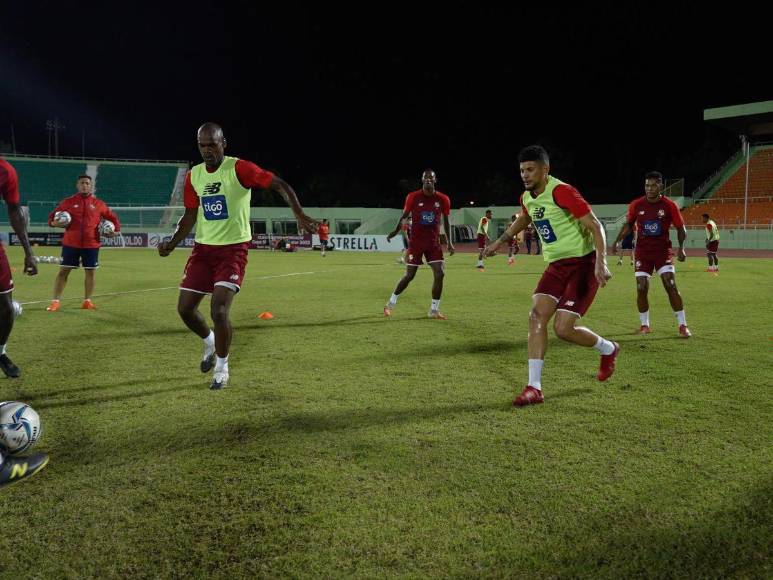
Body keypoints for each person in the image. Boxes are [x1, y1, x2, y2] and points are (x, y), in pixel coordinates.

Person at [158, 123, 317, 389]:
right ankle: (209, 341)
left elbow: (279, 184)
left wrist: (298, 213)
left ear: (224, 143)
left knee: (219, 309)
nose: (207, 150)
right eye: (202, 145)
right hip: (203, 249)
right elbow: (189, 216)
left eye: (212, 144)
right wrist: (172, 242)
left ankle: (222, 367)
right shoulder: (194, 176)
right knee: (185, 309)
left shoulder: (239, 169)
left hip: (232, 250)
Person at [485, 145, 618, 407]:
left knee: (563, 330)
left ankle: (608, 349)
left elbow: (595, 224)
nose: (525, 174)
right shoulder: (527, 197)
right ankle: (534, 387)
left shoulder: (562, 191)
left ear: (545, 170)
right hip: (556, 267)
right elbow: (525, 218)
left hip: (582, 264)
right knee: (536, 316)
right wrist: (500, 241)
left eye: (531, 169)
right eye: (522, 170)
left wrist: (601, 263)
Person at [612, 171, 691, 337]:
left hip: (663, 252)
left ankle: (682, 325)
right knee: (641, 287)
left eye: (654, 185)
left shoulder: (669, 205)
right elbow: (628, 224)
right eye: (647, 185)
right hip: (643, 253)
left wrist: (681, 248)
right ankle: (644, 325)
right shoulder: (636, 205)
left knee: (670, 284)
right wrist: (617, 241)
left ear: (660, 186)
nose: (650, 188)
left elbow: (680, 228)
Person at [385, 169, 454, 319]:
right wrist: (395, 232)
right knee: (410, 276)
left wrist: (449, 242)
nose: (428, 179)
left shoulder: (443, 199)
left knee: (440, 273)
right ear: (422, 180)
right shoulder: (413, 197)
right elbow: (404, 216)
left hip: (433, 243)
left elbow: (447, 221)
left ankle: (434, 309)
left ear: (435, 180)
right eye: (426, 178)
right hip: (416, 243)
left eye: (431, 177)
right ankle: (391, 302)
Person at [46, 175, 121, 311]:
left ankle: (87, 301)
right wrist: (54, 223)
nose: (85, 185)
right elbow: (51, 217)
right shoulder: (68, 202)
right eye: (82, 183)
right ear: (77, 185)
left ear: (91, 186)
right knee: (63, 271)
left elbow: (113, 218)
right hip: (71, 244)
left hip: (92, 244)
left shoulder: (99, 204)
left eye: (87, 183)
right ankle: (55, 301)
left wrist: (115, 232)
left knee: (90, 272)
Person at [0, 157, 39, 378]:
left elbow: (14, 210)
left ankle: (0, 352)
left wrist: (29, 252)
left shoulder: (6, 171)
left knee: (6, 307)